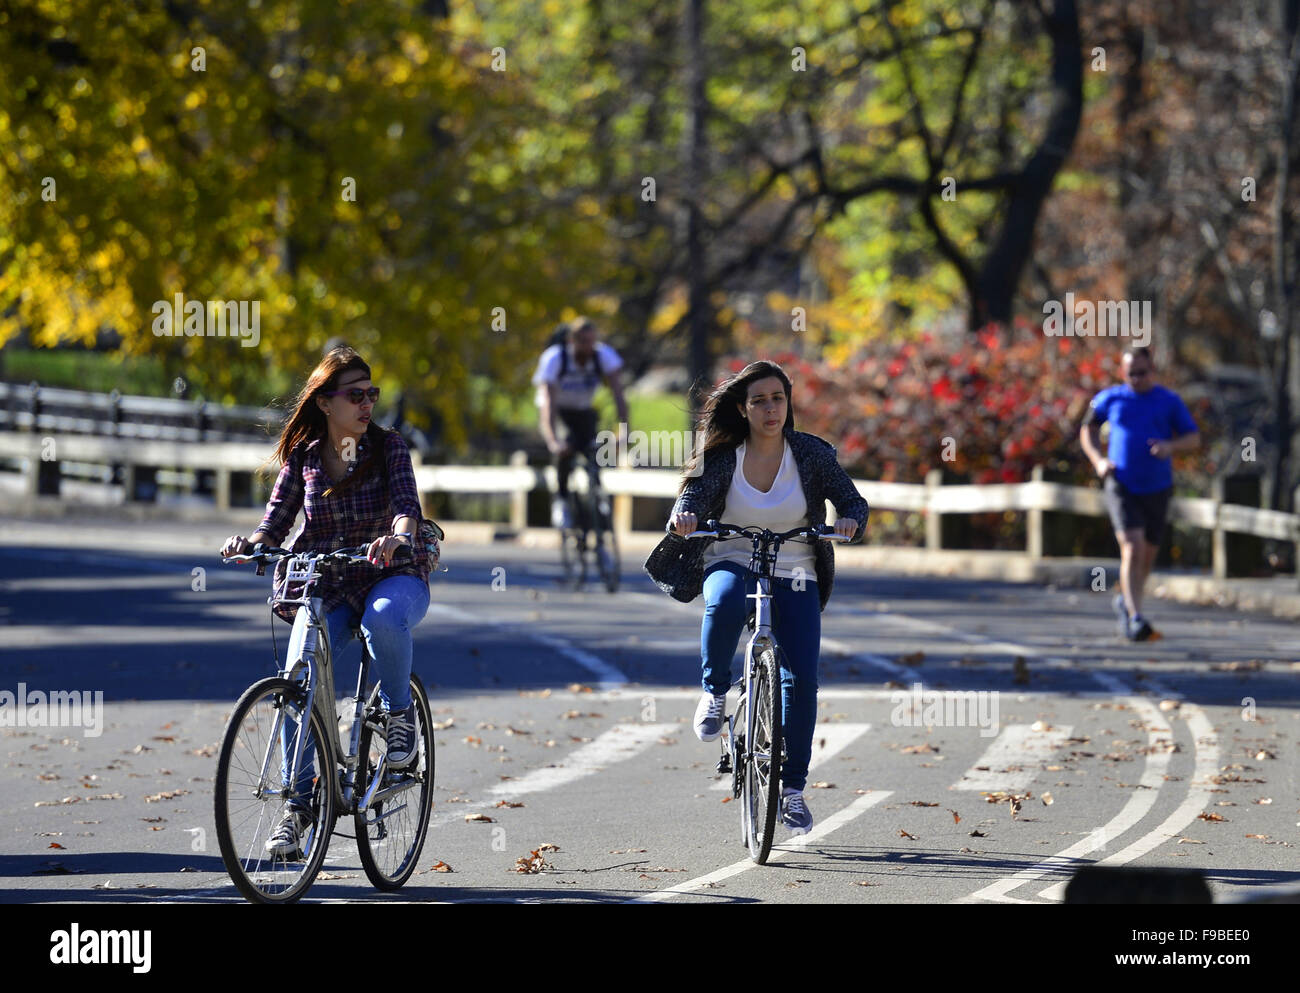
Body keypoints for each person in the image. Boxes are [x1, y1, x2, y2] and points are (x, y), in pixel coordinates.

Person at [220, 346, 435, 855]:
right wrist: (250, 543)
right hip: (329, 580)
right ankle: (299, 806)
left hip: (391, 572)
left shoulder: (389, 447)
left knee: (383, 620)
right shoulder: (306, 456)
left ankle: (400, 716)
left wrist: (397, 538)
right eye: (355, 395)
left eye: (371, 394)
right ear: (324, 402)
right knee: (300, 679)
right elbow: (276, 518)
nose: (366, 404)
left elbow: (407, 508)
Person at [644, 360, 868, 834]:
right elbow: (693, 496)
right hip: (733, 554)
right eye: (759, 401)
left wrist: (849, 521)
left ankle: (792, 791)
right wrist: (685, 517)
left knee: (801, 679)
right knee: (723, 602)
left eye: (778, 399)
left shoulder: (811, 453)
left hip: (796, 566)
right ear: (743, 410)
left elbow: (852, 501)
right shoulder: (724, 455)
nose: (771, 409)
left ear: (789, 404)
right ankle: (714, 691)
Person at [1080, 345, 1199, 641]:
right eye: (1131, 373)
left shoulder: (1169, 401)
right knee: (1131, 547)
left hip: (1157, 486)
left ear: (1153, 371)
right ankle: (1135, 617)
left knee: (1147, 555)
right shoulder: (1110, 398)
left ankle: (1126, 601)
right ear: (1123, 373)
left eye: (1142, 373)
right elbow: (1087, 429)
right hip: (1121, 483)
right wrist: (1098, 460)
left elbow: (1193, 438)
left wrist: (1170, 447)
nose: (1137, 379)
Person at [533, 317, 630, 528]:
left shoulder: (602, 355)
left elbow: (619, 395)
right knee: (565, 448)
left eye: (591, 342)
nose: (588, 347)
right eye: (583, 342)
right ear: (572, 341)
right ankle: (561, 501)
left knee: (592, 447)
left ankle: (597, 493)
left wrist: (624, 429)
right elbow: (548, 404)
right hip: (558, 410)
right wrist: (553, 440)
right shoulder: (555, 359)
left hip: (583, 408)